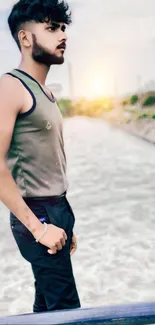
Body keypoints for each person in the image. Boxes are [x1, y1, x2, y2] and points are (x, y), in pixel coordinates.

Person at [0, 0, 81, 313]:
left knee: (47, 307)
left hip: (57, 208)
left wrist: (65, 223)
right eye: (51, 27)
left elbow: (51, 162)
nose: (62, 35)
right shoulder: (11, 87)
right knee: (67, 312)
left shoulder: (46, 93)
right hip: (37, 213)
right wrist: (39, 228)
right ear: (25, 38)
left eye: (62, 27)